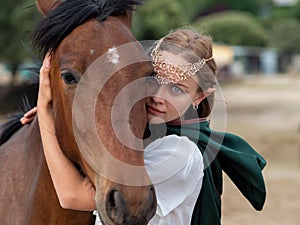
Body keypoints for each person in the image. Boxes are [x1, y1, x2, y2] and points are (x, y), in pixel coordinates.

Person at [21, 28, 266, 225]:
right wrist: (65, 113)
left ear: (200, 97)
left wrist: (45, 110)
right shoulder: (143, 133)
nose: (159, 96)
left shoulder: (178, 152)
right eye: (154, 80)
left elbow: (72, 195)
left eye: (177, 89)